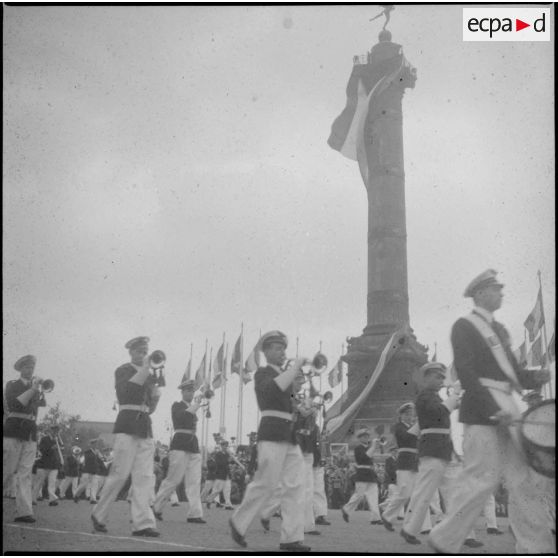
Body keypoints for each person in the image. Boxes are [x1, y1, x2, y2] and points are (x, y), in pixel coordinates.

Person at [429, 269, 553, 554]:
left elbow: (513, 374)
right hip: (482, 407)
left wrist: (535, 377)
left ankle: (535, 548)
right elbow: (467, 372)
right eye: (496, 289)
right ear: (480, 293)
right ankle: (445, 539)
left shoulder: (500, 331)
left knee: (525, 479)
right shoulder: (464, 326)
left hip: (507, 403)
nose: (501, 293)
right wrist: (491, 408)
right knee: (480, 478)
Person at [229, 331, 310, 552]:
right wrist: (295, 368)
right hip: (272, 431)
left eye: (283, 348)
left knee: (296, 485)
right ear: (265, 352)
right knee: (266, 482)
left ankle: (291, 538)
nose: (282, 352)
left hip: (288, 434)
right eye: (276, 348)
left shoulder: (286, 376)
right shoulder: (263, 373)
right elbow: (274, 388)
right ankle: (238, 521)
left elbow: (293, 404)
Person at [91, 336, 161, 537]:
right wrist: (146, 369)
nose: (144, 355)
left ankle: (143, 523)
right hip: (127, 423)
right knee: (120, 474)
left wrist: (156, 396)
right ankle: (99, 513)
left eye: (145, 351)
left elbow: (150, 408)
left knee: (145, 477)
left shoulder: (148, 375)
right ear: (131, 352)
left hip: (144, 426)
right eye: (140, 351)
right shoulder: (123, 370)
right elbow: (127, 390)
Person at [399, 362, 460, 545]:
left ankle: (463, 533)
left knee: (453, 491)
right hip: (433, 448)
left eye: (442, 377)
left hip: (442, 448)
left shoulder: (434, 396)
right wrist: (454, 397)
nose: (441, 380)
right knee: (425, 491)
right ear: (425, 378)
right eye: (437, 376)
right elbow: (438, 413)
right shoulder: (424, 397)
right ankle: (409, 528)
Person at [152, 377, 205, 523]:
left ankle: (195, 513)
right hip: (180, 443)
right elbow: (183, 416)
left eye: (192, 391)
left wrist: (196, 404)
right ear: (182, 392)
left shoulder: (191, 406)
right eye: (188, 391)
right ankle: (156, 507)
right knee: (173, 479)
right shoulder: (177, 405)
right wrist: (196, 405)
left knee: (194, 481)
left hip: (192, 444)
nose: (190, 393)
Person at [3, 355, 46, 523]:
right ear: (20, 369)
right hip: (13, 430)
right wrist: (34, 389)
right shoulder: (12, 385)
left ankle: (24, 511)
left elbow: (40, 406)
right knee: (7, 471)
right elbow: (18, 403)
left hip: (30, 432)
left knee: (25, 474)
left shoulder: (35, 388)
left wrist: (39, 389)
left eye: (32, 367)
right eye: (27, 367)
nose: (30, 370)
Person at [381, 402, 431, 532]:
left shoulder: (414, 427)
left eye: (412, 414)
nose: (410, 416)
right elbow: (407, 437)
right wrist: (419, 424)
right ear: (401, 415)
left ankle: (425, 526)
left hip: (415, 462)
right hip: (404, 462)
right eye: (407, 414)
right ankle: (387, 516)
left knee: (420, 494)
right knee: (404, 494)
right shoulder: (398, 427)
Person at [342, 428, 382, 524]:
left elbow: (371, 459)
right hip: (362, 473)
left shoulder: (369, 447)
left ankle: (375, 518)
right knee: (359, 495)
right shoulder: (358, 448)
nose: (366, 438)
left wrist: (374, 447)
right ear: (359, 438)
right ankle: (346, 510)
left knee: (373, 497)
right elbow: (365, 457)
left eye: (367, 436)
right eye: (364, 436)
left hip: (370, 474)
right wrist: (373, 447)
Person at [206, 440, 243, 509]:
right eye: (224, 445)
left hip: (227, 475)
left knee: (227, 490)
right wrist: (228, 460)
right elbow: (219, 464)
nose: (226, 447)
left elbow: (229, 463)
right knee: (217, 490)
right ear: (221, 446)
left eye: (226, 446)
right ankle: (209, 500)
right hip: (220, 475)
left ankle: (228, 505)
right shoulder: (218, 454)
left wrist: (234, 460)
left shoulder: (227, 454)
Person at [33, 425, 63, 506]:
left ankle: (52, 500)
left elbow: (61, 449)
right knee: (39, 483)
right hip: (44, 464)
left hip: (54, 465)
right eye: (54, 431)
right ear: (51, 431)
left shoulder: (58, 440)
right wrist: (51, 448)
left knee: (52, 483)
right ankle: (33, 499)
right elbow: (41, 449)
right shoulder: (44, 438)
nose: (56, 433)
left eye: (57, 431)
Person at [73, 439, 101, 503]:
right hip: (87, 471)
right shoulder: (87, 452)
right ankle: (76, 495)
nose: (95, 445)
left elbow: (101, 460)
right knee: (83, 485)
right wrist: (95, 454)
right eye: (94, 444)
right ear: (91, 445)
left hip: (95, 471)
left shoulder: (97, 452)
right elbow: (82, 461)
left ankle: (93, 499)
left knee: (95, 485)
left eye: (96, 444)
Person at [312, 433, 330, 526]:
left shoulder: (316, 428)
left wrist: (323, 457)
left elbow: (322, 444)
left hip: (317, 463)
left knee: (319, 489)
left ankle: (320, 515)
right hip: (304, 460)